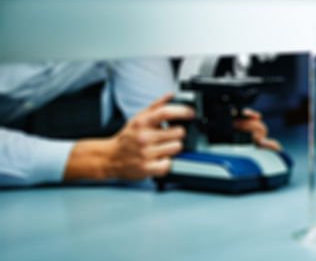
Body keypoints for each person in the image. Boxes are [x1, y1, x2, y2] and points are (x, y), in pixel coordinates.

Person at [0, 58, 280, 187]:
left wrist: (213, 129)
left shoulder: (122, 5)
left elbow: (158, 119)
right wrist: (102, 160)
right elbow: (112, 159)